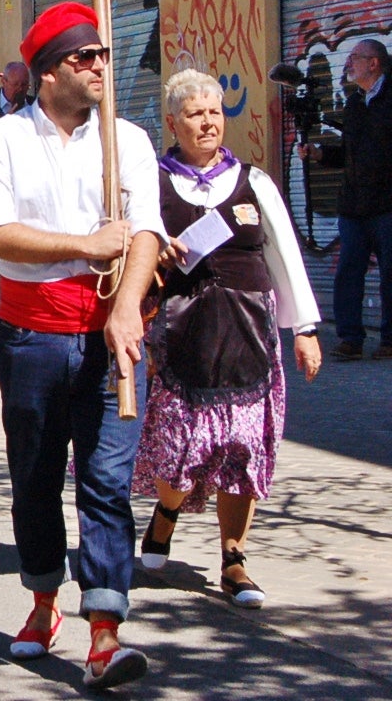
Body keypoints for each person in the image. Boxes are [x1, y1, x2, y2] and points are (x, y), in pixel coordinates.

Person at [0, 2, 164, 689]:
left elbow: (145, 232)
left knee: (107, 483)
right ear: (49, 73)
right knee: (37, 477)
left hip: (112, 334)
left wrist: (129, 306)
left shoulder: (128, 140)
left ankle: (104, 631)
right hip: (31, 336)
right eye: (86, 58)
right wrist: (83, 244)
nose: (101, 66)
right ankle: (44, 598)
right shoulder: (0, 140)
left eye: (104, 55)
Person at [135, 68, 323, 608]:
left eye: (214, 111)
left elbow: (283, 254)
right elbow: (131, 251)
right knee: (184, 444)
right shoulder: (152, 182)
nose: (208, 122)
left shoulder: (253, 181)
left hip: (249, 332)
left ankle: (234, 560)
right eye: (195, 113)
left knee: (243, 448)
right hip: (183, 333)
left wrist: (305, 329)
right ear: (173, 122)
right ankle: (165, 517)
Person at [299, 38, 392, 359]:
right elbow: (352, 154)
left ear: (374, 63)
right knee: (348, 273)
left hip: (386, 204)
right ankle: (350, 339)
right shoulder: (355, 103)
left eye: (355, 57)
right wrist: (321, 153)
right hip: (354, 205)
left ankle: (389, 341)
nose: (348, 63)